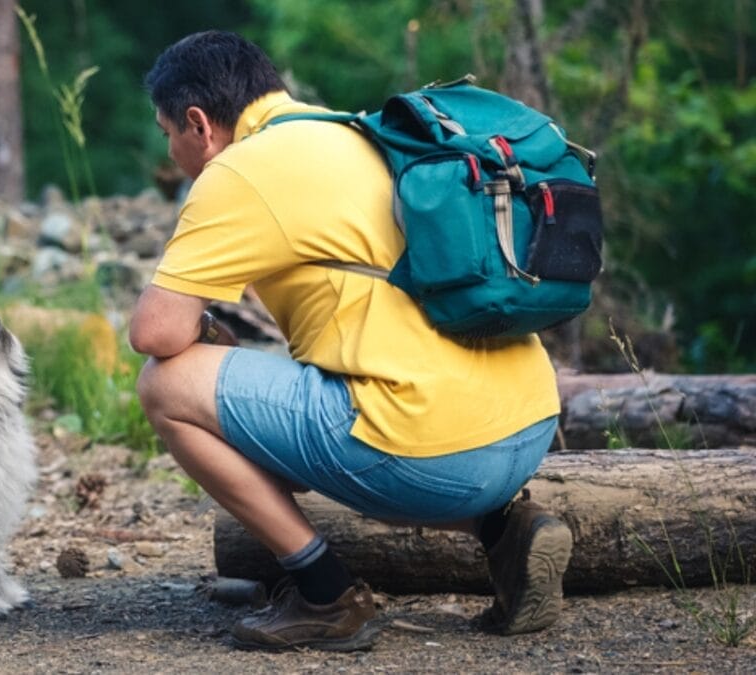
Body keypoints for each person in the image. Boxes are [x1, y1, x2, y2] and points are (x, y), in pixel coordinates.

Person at [129, 30, 573, 652]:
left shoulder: (239, 170)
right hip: (526, 428)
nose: (171, 151)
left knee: (167, 385)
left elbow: (153, 334)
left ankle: (325, 595)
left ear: (198, 124)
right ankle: (503, 528)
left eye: (167, 132)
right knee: (348, 416)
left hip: (429, 453)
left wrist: (200, 343)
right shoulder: (355, 131)